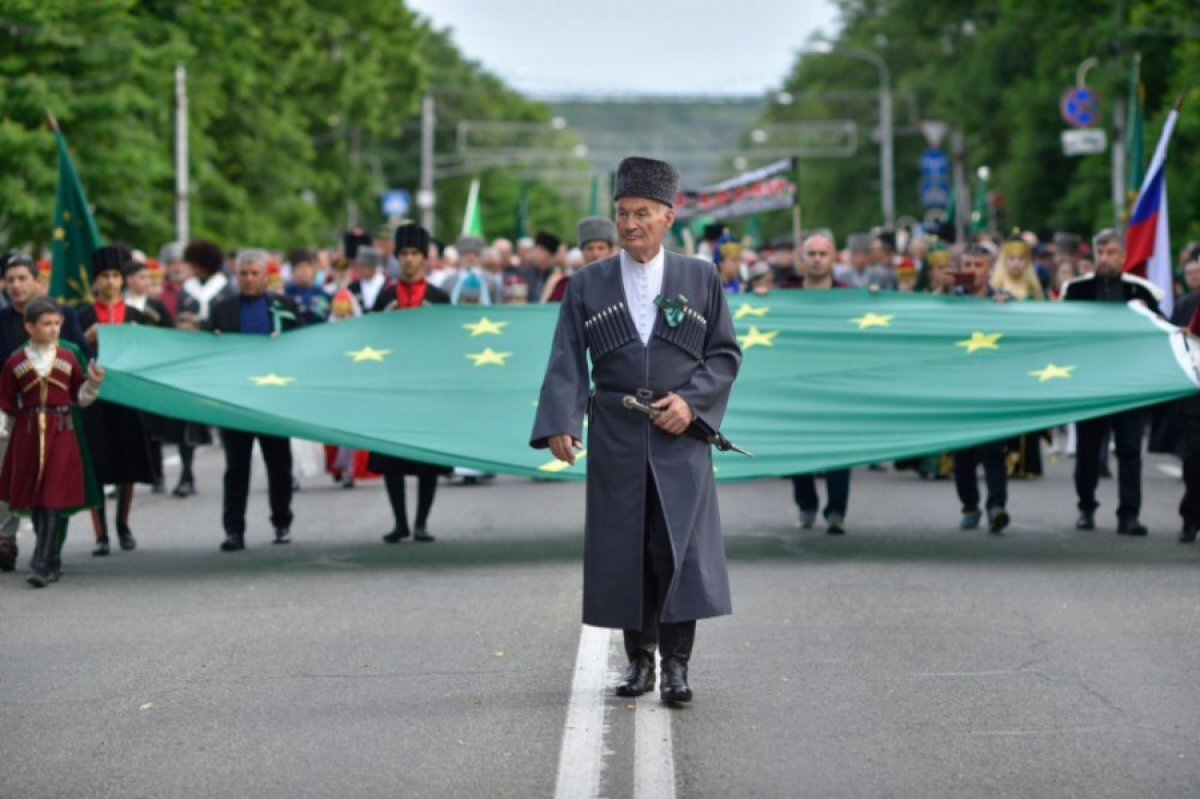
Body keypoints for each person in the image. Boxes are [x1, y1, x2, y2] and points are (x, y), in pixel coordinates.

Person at [531, 156, 742, 704]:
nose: (629, 224)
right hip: (618, 434)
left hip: (680, 436)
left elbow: (723, 355)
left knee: (677, 550)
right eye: (623, 213)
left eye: (642, 213)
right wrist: (562, 420)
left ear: (668, 217)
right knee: (629, 549)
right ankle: (638, 663)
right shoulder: (587, 284)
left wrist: (691, 406)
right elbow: (566, 359)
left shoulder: (700, 277)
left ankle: (677, 667)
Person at [1062, 228, 1164, 535]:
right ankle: (1086, 507)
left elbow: (1162, 333)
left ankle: (1129, 514)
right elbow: (1060, 331)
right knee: (1089, 451)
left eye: (1111, 253)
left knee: (1130, 450)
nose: (1105, 259)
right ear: (1093, 256)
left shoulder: (1141, 292)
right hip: (1091, 384)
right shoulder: (1076, 290)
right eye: (1100, 253)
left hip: (1129, 385)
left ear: (1123, 255)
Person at [0, 297, 105, 586]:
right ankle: (51, 560)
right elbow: (6, 402)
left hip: (62, 430)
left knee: (51, 495)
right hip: (28, 432)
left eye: (57, 324)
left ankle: (42, 560)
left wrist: (93, 384)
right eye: (46, 324)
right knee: (36, 496)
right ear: (29, 327)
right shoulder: (16, 361)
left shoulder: (70, 357)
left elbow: (80, 397)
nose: (54, 329)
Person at [206, 249, 303, 551]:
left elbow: (303, 346)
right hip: (237, 400)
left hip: (273, 399)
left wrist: (285, 344)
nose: (249, 279)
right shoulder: (221, 308)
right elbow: (205, 349)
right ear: (237, 276)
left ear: (266, 276)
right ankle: (234, 530)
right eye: (244, 274)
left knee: (279, 465)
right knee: (236, 468)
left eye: (254, 274)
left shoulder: (285, 305)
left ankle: (282, 522)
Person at [368, 224, 451, 542]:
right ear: (396, 258)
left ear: (425, 258)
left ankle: (421, 522)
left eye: (415, 253)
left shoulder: (439, 298)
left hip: (428, 390)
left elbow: (448, 341)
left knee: (427, 458)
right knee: (392, 458)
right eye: (403, 254)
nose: (409, 260)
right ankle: (399, 521)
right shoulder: (386, 297)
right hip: (394, 389)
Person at [77, 246, 156, 555]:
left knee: (127, 462)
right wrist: (87, 339)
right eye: (104, 277)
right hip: (94, 397)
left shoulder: (137, 315)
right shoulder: (82, 315)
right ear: (95, 282)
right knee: (95, 464)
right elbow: (73, 349)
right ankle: (101, 534)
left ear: (122, 280)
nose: (110, 282)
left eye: (114, 276)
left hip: (126, 398)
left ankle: (123, 525)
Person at [783, 231, 852, 533]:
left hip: (838, 386)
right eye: (811, 254)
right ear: (802, 258)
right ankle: (806, 504)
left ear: (833, 259)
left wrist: (877, 299)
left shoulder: (849, 296)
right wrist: (760, 296)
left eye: (823, 254)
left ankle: (836, 510)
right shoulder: (784, 293)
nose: (816, 260)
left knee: (840, 448)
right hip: (798, 386)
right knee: (799, 447)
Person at [178, 239, 235, 322]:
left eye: (193, 265)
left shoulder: (226, 290)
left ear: (203, 265)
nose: (190, 268)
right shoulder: (187, 289)